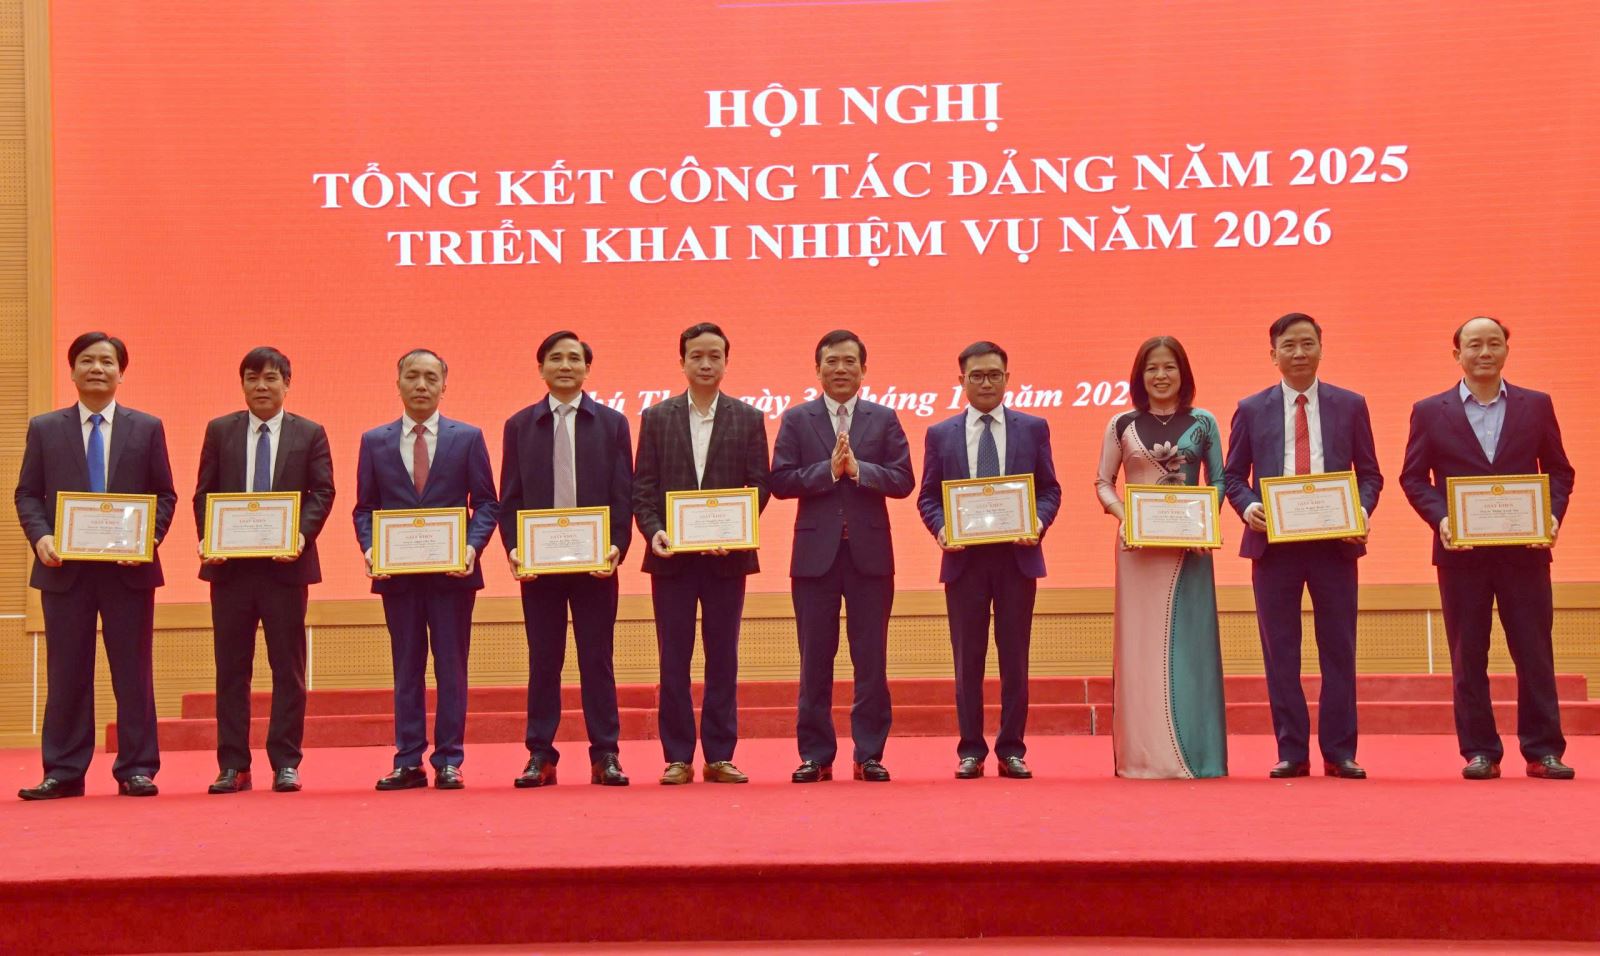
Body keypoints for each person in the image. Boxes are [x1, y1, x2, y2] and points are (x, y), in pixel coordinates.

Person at [1399, 317, 1576, 780]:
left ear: (1506, 351)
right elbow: (1413, 478)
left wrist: (1551, 515)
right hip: (1460, 555)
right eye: (1474, 344)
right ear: (1456, 354)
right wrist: (1442, 518)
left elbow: (1560, 470)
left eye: (1493, 343)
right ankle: (1480, 751)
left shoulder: (1537, 405)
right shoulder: (1429, 411)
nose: (1484, 352)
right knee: (1468, 655)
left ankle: (1543, 751)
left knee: (1534, 652)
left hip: (1525, 552)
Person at [15, 332, 177, 799]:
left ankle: (137, 768)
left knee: (133, 671)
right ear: (72, 371)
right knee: (67, 672)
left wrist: (147, 538)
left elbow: (164, 494)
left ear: (121, 373)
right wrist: (42, 536)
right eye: (87, 360)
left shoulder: (146, 427)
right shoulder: (46, 428)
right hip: (65, 571)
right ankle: (64, 771)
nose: (97, 369)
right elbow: (27, 493)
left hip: (128, 570)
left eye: (107, 362)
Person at [1223, 313, 1382, 779]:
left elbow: (1370, 474)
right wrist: (1248, 506)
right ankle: (1292, 750)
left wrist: (1361, 511)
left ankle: (1340, 751)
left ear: (1321, 349)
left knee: (1339, 649)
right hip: (1274, 546)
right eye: (1289, 345)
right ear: (1273, 354)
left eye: (1307, 343)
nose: (1299, 353)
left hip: (1335, 544)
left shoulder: (1350, 405)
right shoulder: (1251, 408)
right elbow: (1233, 476)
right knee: (1281, 653)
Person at [772, 329, 915, 783]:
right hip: (814, 558)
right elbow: (780, 481)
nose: (840, 369)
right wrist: (828, 471)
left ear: (864, 369)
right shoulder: (797, 419)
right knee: (814, 659)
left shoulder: (884, 418)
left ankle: (869, 753)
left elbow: (903, 479)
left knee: (870, 660)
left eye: (849, 361)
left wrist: (858, 470)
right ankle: (816, 755)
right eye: (831, 361)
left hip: (870, 557)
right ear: (817, 369)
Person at [354, 349, 498, 791]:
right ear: (397, 383)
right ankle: (408, 760)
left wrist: (472, 547)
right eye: (412, 376)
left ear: (443, 386)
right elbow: (365, 508)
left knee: (451, 668)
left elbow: (486, 503)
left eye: (430, 378)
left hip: (453, 577)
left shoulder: (467, 437)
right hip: (398, 577)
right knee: (406, 669)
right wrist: (371, 548)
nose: (421, 385)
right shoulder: (374, 441)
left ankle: (449, 759)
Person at [632, 323, 770, 785]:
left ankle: (720, 755)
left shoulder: (748, 418)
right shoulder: (656, 417)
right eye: (697, 356)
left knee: (722, 657)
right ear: (683, 362)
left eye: (715, 355)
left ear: (727, 361)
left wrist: (737, 528)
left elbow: (760, 484)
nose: (706, 363)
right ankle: (677, 756)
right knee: (673, 659)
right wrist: (654, 531)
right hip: (672, 559)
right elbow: (643, 487)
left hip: (727, 559)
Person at [194, 347, 335, 794]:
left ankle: (285, 762)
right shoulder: (220, 430)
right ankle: (233, 765)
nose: (261, 386)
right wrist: (209, 538)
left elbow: (322, 492)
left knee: (287, 669)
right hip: (231, 572)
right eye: (252, 378)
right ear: (242, 384)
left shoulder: (309, 433)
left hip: (285, 570)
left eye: (271, 378)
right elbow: (204, 493)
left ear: (287, 384)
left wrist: (301, 535)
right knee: (231, 670)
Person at [918, 341, 1061, 779]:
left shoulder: (1032, 428)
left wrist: (1037, 522)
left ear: (1007, 379)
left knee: (1015, 659)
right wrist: (942, 530)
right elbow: (928, 497)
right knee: (968, 661)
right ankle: (971, 750)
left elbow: (1050, 489)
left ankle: (1012, 749)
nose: (986, 383)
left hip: (1017, 558)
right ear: (961, 380)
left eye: (994, 375)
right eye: (977, 375)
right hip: (964, 562)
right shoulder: (940, 434)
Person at [499, 331, 633, 788]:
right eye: (555, 358)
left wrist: (617, 546)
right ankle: (540, 754)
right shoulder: (519, 426)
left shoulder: (612, 424)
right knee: (544, 660)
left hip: (597, 564)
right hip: (540, 567)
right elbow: (510, 496)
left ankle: (606, 754)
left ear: (587, 369)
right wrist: (514, 547)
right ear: (541, 368)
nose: (565, 365)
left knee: (597, 659)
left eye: (574, 358)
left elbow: (622, 493)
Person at [1094, 336, 1227, 779]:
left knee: (1190, 651)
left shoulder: (1204, 422)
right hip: (1137, 552)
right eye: (1152, 368)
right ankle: (1141, 757)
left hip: (1190, 550)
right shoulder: (1121, 424)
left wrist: (1205, 524)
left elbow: (1219, 481)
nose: (1161, 375)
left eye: (1169, 366)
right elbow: (1103, 482)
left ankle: (1197, 758)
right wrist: (1124, 518)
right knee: (1139, 651)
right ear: (1140, 376)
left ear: (1183, 373)